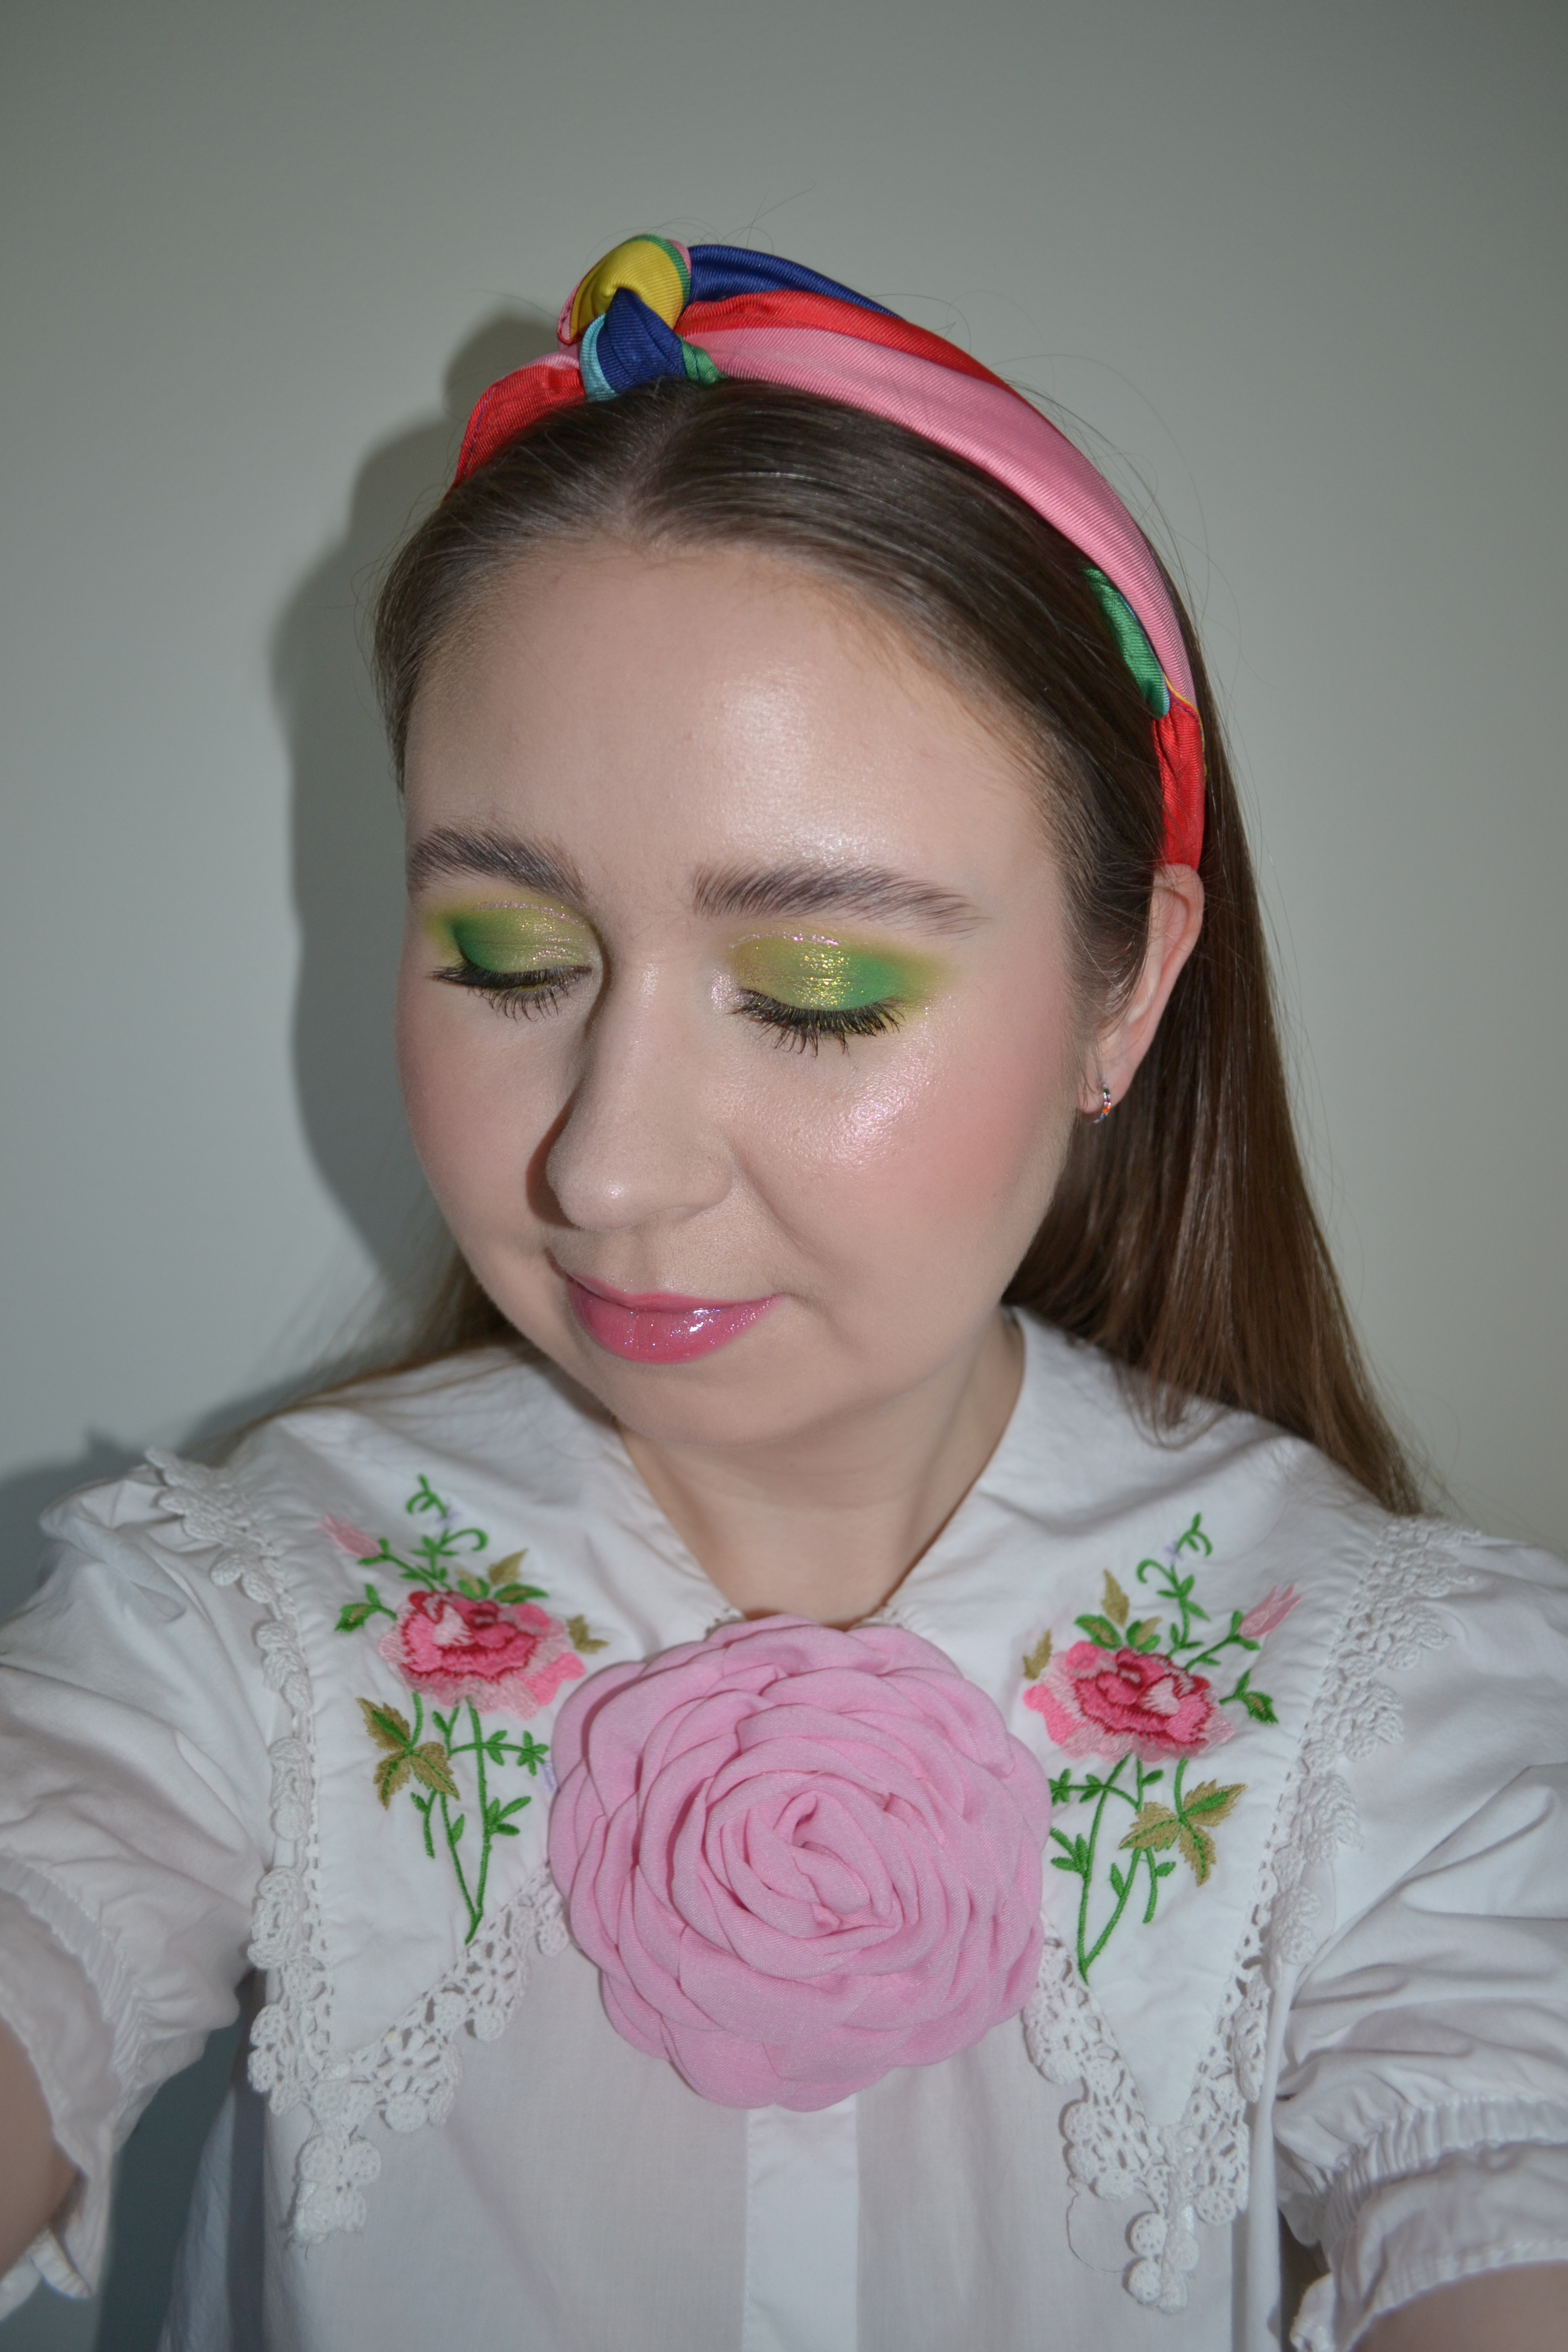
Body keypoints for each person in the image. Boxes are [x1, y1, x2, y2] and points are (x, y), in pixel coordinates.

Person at [0, 235, 1564, 2352]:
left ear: (1128, 991)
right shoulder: (253, 1622)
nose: (606, 1166)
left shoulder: (1388, 1710)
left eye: (818, 988)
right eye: (508, 956)